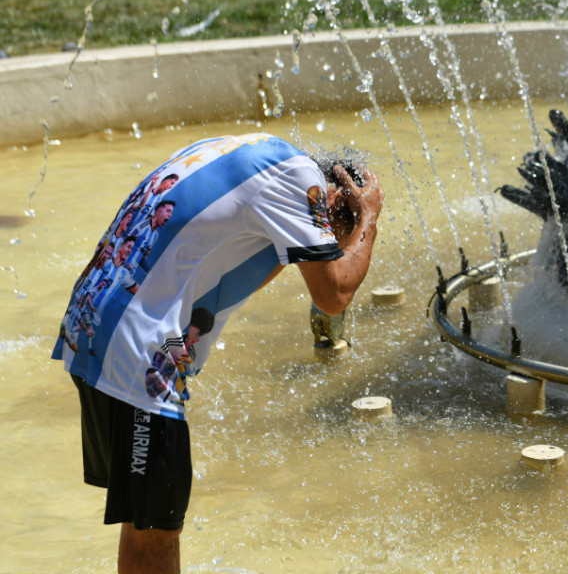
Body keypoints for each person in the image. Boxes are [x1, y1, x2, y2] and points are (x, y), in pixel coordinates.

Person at [52, 132, 384, 574]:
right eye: (343, 229)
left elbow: (232, 264)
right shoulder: (300, 179)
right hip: (137, 352)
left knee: (145, 521)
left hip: (92, 325)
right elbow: (335, 292)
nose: (337, 244)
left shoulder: (250, 153)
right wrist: (371, 219)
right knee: (157, 533)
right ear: (338, 198)